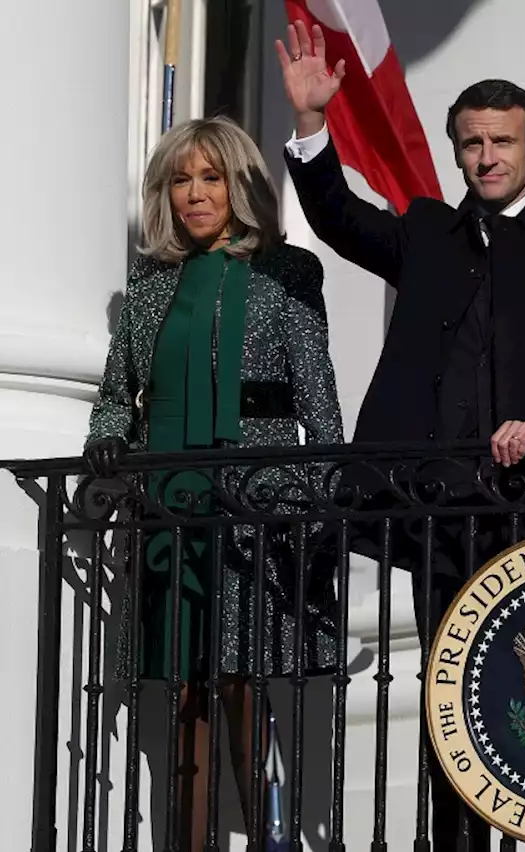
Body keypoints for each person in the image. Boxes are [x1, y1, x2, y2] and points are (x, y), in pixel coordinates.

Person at [276, 21, 525, 851]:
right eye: (471, 143)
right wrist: (312, 125)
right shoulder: (427, 231)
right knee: (453, 696)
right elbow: (336, 217)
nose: (486, 157)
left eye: (502, 141)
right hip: (437, 510)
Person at [83, 116, 343, 852]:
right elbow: (115, 395)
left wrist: (319, 505)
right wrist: (106, 439)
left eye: (210, 177)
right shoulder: (147, 291)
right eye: (180, 180)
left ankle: (269, 839)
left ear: (238, 185)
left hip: (257, 509)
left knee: (243, 688)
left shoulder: (286, 273)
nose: (195, 194)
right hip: (168, 506)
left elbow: (319, 401)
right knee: (185, 695)